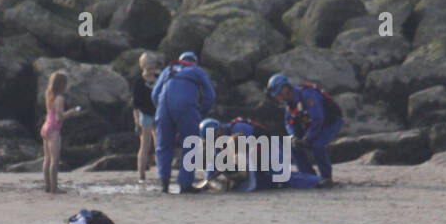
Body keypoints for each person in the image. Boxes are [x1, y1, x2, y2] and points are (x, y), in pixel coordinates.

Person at [197, 117, 323, 191]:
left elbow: (247, 152)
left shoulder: (238, 129)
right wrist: (208, 178)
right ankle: (311, 179)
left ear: (219, 128)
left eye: (216, 134)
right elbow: (215, 160)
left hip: (269, 147)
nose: (215, 138)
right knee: (266, 182)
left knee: (282, 177)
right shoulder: (220, 140)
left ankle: (318, 182)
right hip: (256, 154)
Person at [152, 51, 214, 194]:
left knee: (164, 145)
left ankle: (164, 183)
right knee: (190, 143)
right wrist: (201, 113)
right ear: (194, 62)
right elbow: (210, 95)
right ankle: (185, 184)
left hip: (163, 107)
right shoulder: (196, 71)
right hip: (185, 107)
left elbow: (155, 94)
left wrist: (160, 109)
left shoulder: (169, 69)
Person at [266, 73, 343, 187]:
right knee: (293, 146)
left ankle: (326, 178)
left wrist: (308, 138)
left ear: (285, 88)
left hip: (330, 123)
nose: (277, 98)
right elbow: (289, 122)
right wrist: (294, 138)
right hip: (310, 124)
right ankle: (309, 177)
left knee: (317, 145)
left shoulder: (307, 95)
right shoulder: (289, 104)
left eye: (278, 94)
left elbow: (318, 118)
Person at [39, 71, 83, 193]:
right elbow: (59, 117)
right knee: (54, 160)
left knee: (47, 159)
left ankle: (47, 186)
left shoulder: (49, 94)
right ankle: (54, 188)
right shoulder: (59, 98)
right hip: (54, 129)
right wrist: (71, 112)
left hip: (46, 127)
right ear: (62, 85)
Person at [132, 53, 163, 183]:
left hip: (158, 113)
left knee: (159, 144)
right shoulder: (139, 82)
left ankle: (161, 172)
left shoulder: (158, 78)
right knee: (145, 145)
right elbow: (135, 104)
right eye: (148, 68)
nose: (151, 70)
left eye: (152, 67)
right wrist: (136, 122)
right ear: (143, 66)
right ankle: (141, 174)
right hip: (144, 115)